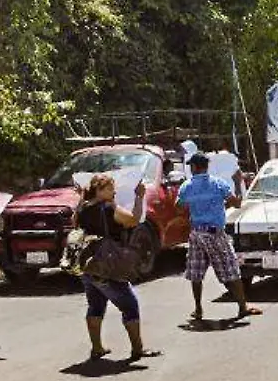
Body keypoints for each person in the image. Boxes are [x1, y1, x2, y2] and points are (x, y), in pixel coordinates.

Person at [73, 174, 160, 361]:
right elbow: (134, 220)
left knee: (95, 305)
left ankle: (97, 348)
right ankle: (138, 349)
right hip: (108, 263)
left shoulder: (82, 207)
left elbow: (74, 226)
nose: (114, 192)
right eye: (111, 188)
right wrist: (139, 196)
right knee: (130, 306)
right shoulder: (108, 208)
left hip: (88, 263)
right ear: (100, 190)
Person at [176, 153, 261, 323]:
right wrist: (237, 183)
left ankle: (198, 308)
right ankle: (242, 307)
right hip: (215, 232)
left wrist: (195, 205)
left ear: (194, 167)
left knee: (196, 272)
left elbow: (179, 207)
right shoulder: (217, 184)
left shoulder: (187, 186)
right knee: (231, 268)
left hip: (196, 233)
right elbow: (236, 203)